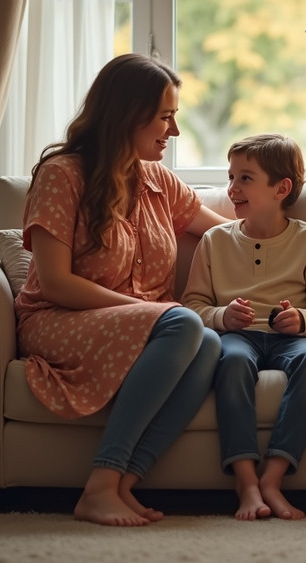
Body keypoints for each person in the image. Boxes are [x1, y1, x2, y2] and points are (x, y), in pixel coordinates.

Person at [15, 54, 229, 527]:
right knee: (181, 321)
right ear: (128, 114)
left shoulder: (159, 182)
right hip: (58, 320)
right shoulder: (62, 174)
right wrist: (148, 311)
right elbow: (55, 282)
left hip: (146, 324)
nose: (173, 132)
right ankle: (99, 484)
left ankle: (123, 484)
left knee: (210, 343)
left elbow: (230, 239)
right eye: (166, 117)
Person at [182, 134, 306, 521]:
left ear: (281, 189)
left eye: (245, 179)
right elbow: (192, 306)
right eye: (231, 176)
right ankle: (246, 482)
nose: (232, 188)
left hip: (291, 339)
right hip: (236, 337)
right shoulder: (214, 240)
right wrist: (222, 317)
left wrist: (302, 320)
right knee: (232, 362)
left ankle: (272, 477)